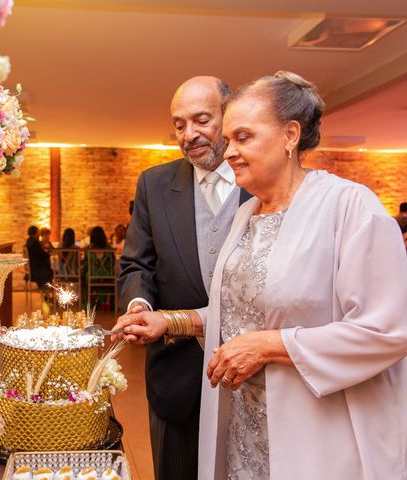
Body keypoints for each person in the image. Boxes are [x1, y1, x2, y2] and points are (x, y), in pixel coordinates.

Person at [114, 71, 407, 479]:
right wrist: (169, 320)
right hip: (245, 424)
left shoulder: (349, 207)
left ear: (290, 135)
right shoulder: (247, 216)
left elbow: (387, 332)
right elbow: (234, 312)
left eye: (243, 137)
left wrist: (272, 346)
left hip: (318, 428)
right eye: (229, 139)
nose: (228, 152)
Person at [116, 76, 251, 480]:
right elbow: (137, 264)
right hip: (175, 373)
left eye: (201, 119)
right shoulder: (153, 184)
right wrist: (140, 305)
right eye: (179, 124)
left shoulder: (261, 181)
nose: (188, 134)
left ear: (228, 115)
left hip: (250, 374)